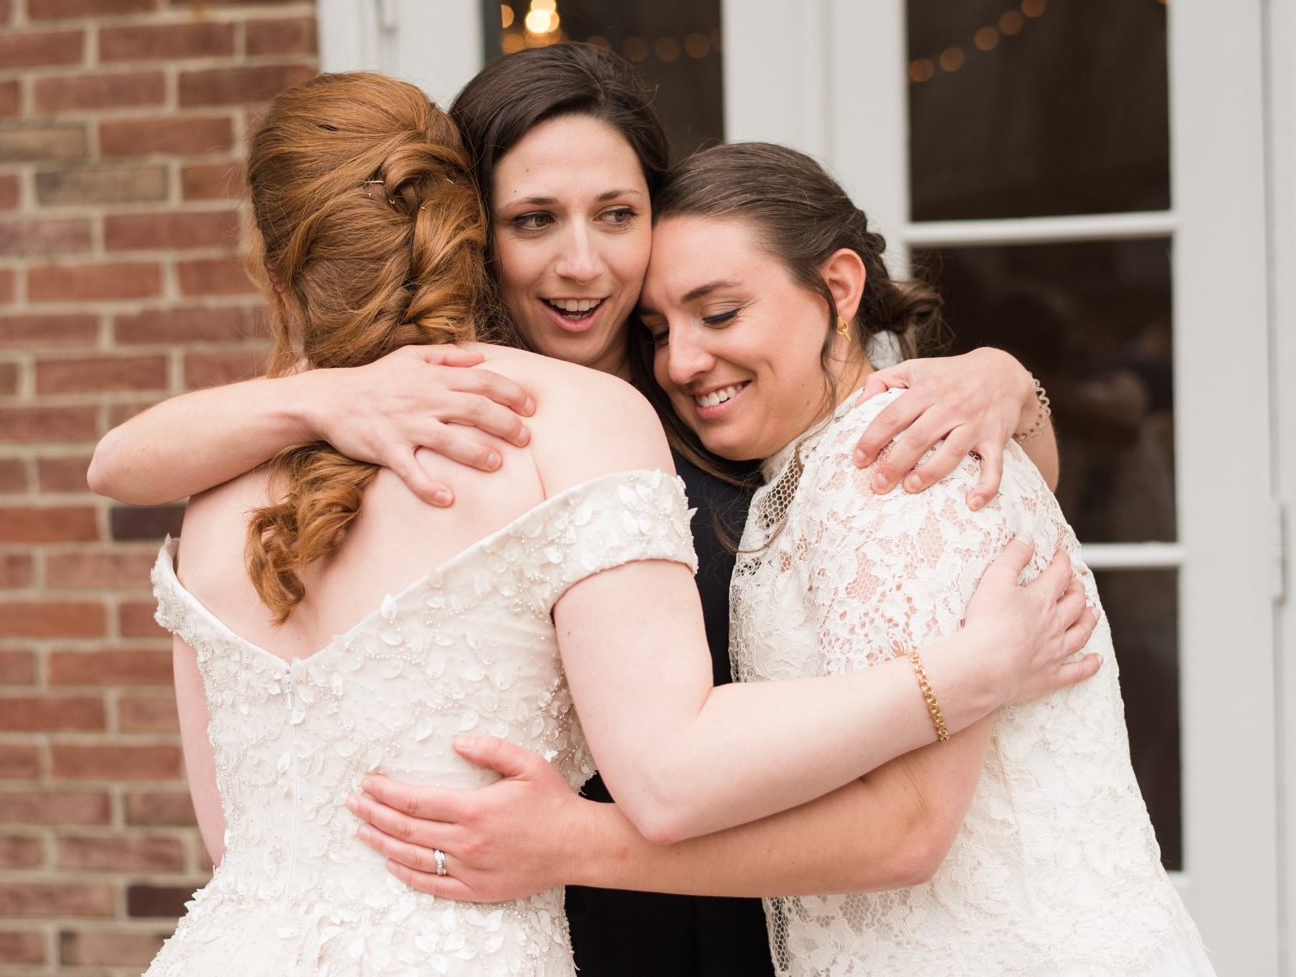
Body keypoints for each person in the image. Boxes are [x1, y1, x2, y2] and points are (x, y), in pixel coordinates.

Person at [90, 45, 1064, 976]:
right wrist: (321, 396)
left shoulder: (724, 399)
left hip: (725, 922)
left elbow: (968, 498)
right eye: (534, 220)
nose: (582, 263)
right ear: (470, 226)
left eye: (615, 213)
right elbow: (118, 459)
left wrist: (1008, 382)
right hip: (522, 917)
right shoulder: (439, 419)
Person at [351, 143, 1212, 976]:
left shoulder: (891, 465)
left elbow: (909, 828)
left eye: (720, 313)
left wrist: (572, 843)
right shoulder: (826, 463)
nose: (683, 360)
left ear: (838, 287)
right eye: (658, 328)